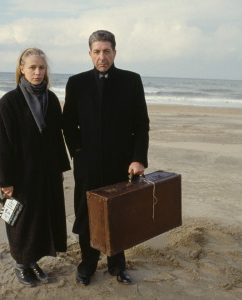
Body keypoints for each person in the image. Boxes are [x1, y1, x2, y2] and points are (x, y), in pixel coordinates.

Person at [62, 30, 150, 286]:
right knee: (87, 215)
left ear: (114, 52)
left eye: (107, 51)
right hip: (86, 165)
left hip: (121, 164)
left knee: (117, 216)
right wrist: (77, 152)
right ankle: (87, 265)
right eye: (97, 51)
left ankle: (117, 266)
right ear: (90, 54)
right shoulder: (76, 82)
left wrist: (138, 158)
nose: (102, 56)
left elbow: (141, 125)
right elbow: (68, 123)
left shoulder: (131, 81)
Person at [0, 48, 71, 287]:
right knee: (20, 220)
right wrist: (5, 181)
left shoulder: (52, 100)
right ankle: (21, 264)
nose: (37, 72)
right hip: (20, 176)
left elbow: (58, 138)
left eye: (42, 68)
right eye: (32, 67)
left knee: (42, 218)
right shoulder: (9, 103)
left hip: (46, 173)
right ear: (22, 69)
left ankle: (33, 259)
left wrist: (59, 170)